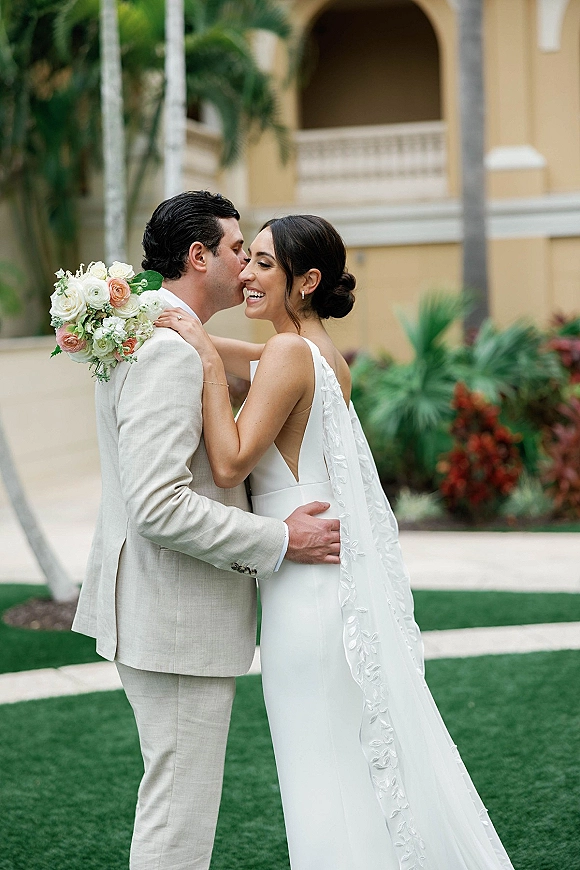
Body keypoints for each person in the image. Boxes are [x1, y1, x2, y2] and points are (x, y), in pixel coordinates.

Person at [156, 213, 515, 870]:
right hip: (322, 592)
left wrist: (204, 354)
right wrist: (194, 337)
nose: (247, 273)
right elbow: (260, 360)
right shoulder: (318, 355)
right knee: (341, 773)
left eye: (265, 263)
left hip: (305, 599)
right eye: (249, 258)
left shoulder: (292, 356)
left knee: (321, 779)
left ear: (307, 279)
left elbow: (232, 462)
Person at [72, 192, 341, 870]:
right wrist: (281, 540)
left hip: (166, 611)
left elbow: (275, 366)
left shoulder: (157, 337)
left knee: (176, 807)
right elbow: (159, 507)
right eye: (234, 249)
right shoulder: (168, 353)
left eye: (258, 257)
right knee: (177, 820)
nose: (244, 266)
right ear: (198, 256)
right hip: (175, 619)